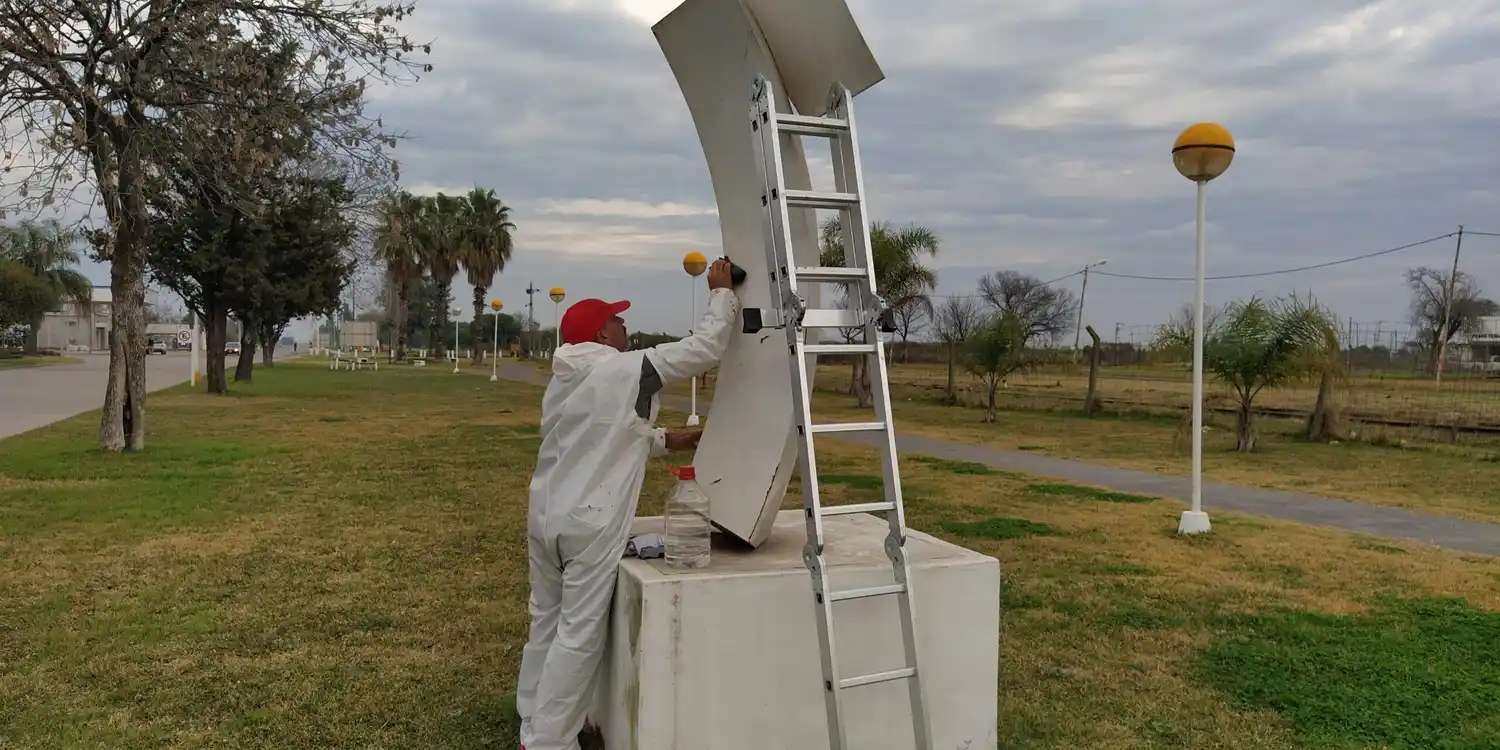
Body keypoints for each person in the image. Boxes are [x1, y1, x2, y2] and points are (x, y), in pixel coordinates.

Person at [517, 258, 740, 750]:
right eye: (617, 319)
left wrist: (677, 440)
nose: (625, 324)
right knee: (578, 637)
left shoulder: (565, 380)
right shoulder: (625, 369)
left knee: (545, 624)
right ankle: (547, 743)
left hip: (546, 518)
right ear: (601, 334)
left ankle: (531, 723)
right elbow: (704, 349)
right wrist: (721, 293)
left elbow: (612, 433)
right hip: (589, 524)